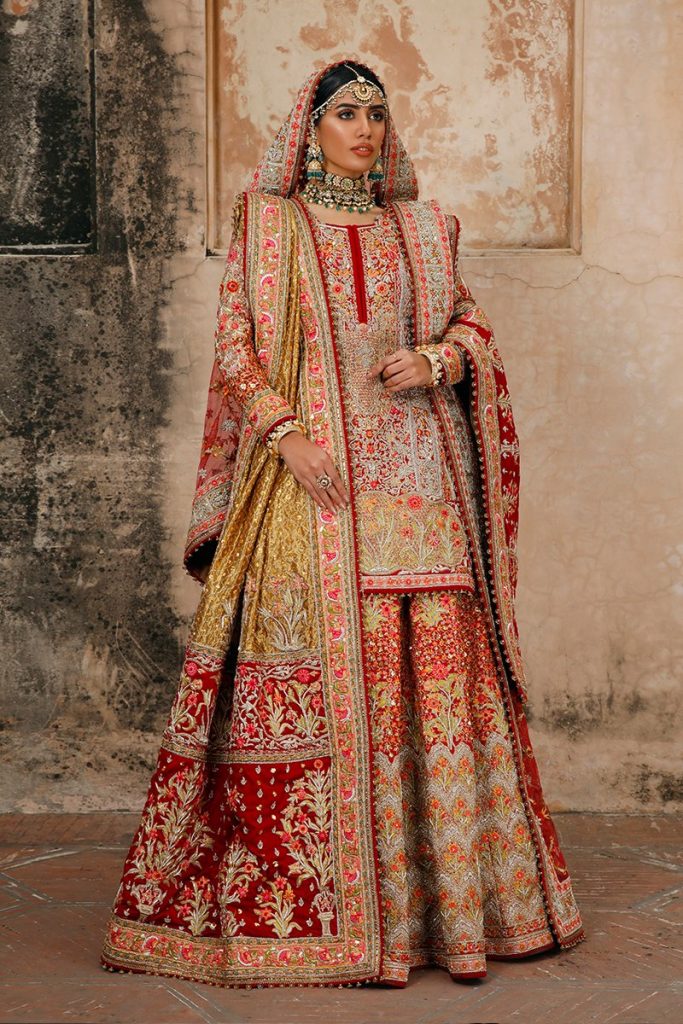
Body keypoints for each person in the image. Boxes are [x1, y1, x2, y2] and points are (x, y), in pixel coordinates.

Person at [101, 59, 584, 989]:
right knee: (329, 687)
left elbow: (471, 328)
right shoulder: (268, 225)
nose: (364, 128)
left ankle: (448, 922)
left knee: (437, 693)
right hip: (313, 490)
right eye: (346, 113)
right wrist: (285, 436)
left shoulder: (424, 230)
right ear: (310, 129)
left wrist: (439, 359)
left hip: (422, 489)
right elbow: (235, 345)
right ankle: (348, 923)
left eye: (375, 114)